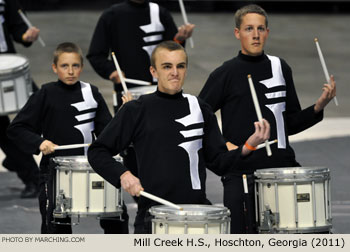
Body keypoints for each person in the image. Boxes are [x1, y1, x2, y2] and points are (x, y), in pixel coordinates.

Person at [87, 41, 271, 234]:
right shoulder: (137, 110)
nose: (175, 72)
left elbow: (219, 162)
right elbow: (98, 151)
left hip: (197, 215)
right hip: (154, 217)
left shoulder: (199, 108)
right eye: (167, 66)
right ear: (154, 72)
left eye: (180, 66)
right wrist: (123, 175)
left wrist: (247, 147)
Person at [199, 4, 336, 234]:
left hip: (283, 171)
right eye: (249, 29)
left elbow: (289, 124)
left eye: (261, 28)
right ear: (237, 33)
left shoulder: (280, 67)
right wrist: (223, 145)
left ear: (267, 33)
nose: (255, 34)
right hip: (242, 172)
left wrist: (318, 107)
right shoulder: (225, 73)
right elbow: (200, 117)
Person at [7, 42, 127, 234]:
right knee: (56, 226)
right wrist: (40, 142)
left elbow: (108, 134)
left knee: (117, 218)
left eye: (75, 66)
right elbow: (17, 128)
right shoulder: (45, 93)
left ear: (81, 67)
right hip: (54, 171)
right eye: (64, 66)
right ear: (55, 68)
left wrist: (124, 114)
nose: (70, 71)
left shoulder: (92, 93)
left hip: (92, 167)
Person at [87, 0, 195, 112]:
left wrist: (179, 39)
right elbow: (96, 54)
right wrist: (111, 71)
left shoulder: (159, 12)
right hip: (128, 91)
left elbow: (171, 52)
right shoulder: (112, 15)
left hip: (162, 90)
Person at [0, 0, 40, 198]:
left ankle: (17, 159)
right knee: (1, 130)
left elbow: (17, 26)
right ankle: (32, 177)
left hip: (9, 66)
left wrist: (26, 35)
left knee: (42, 108)